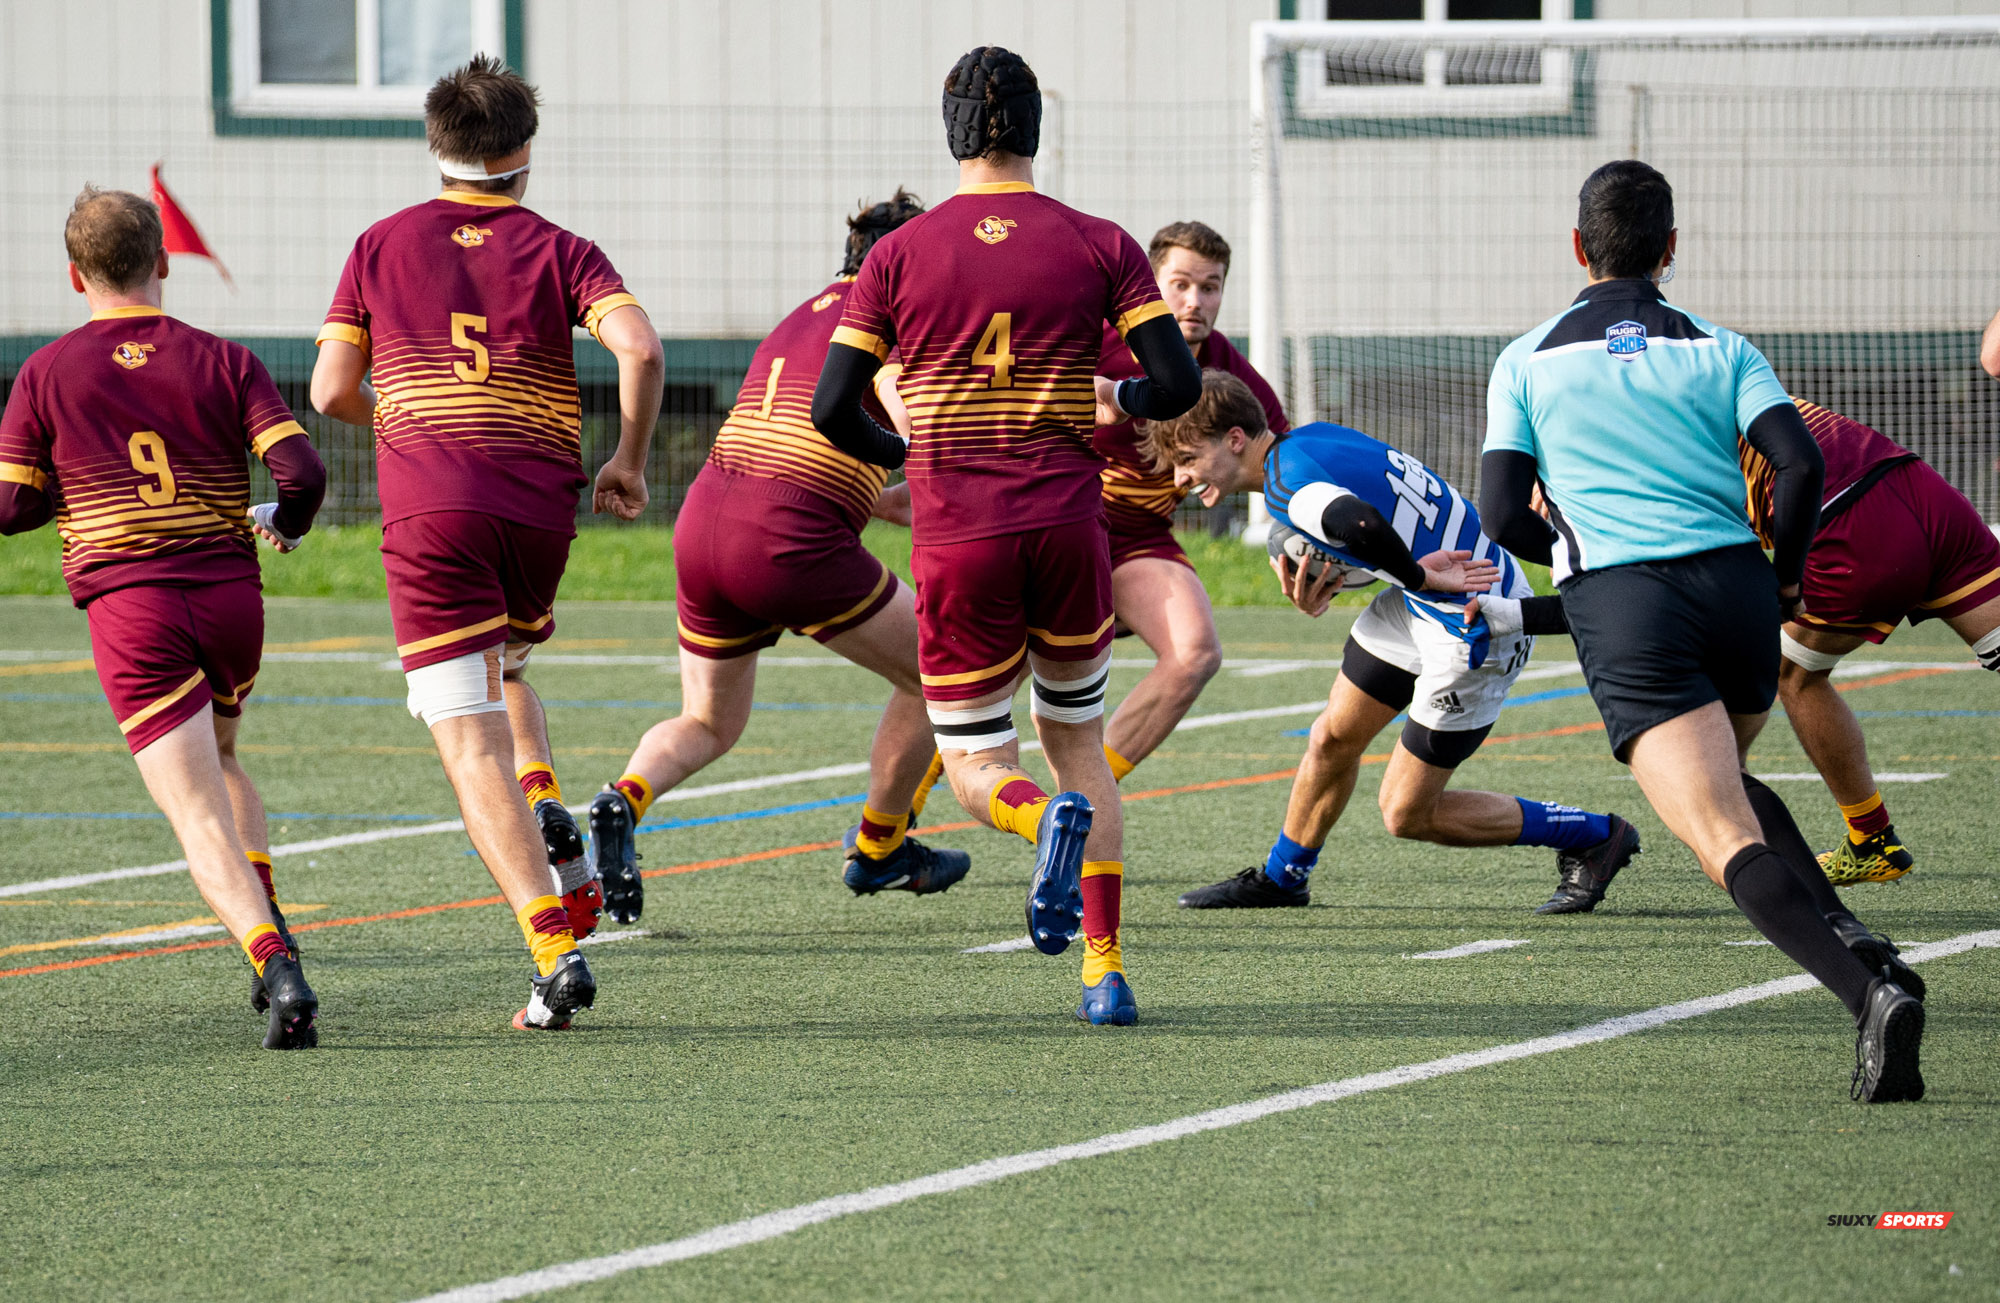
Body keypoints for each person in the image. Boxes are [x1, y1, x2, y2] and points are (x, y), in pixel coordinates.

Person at [1479, 160, 1926, 1102]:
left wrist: (1565, 538)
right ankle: (1846, 926)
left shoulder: (1527, 357)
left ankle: (1867, 996)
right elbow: (1798, 466)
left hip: (1630, 602)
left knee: (1715, 827)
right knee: (1728, 776)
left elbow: (1499, 514)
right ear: (1671, 250)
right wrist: (1786, 575)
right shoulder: (1722, 346)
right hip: (1736, 594)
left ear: (1576, 248)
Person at [811, 46, 1200, 1025]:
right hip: (1070, 531)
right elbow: (1179, 386)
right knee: (1075, 741)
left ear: (949, 133)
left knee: (980, 764)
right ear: (1036, 131)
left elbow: (829, 407)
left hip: (959, 536)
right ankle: (1103, 968)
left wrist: (909, 450)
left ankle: (1038, 824)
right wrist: (1116, 393)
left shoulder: (897, 255)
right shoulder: (1097, 242)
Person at [310, 56, 664, 1030]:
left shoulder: (380, 244)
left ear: (436, 145)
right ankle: (546, 802)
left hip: (433, 509)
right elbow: (637, 347)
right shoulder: (561, 247)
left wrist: (400, 410)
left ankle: (552, 948)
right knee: (505, 671)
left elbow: (330, 391)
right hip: (535, 507)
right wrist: (627, 459)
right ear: (523, 154)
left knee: (465, 737)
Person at [0, 186, 327, 1048]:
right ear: (164, 262)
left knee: (192, 812)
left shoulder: (45, 371)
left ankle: (275, 963)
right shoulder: (226, 358)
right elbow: (303, 472)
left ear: (74, 277)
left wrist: (70, 484)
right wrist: (285, 526)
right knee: (223, 758)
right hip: (228, 600)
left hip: (132, 607)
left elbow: (10, 505)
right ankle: (271, 919)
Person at [585, 190, 973, 917]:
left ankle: (621, 799)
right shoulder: (893, 321)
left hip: (706, 519)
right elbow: (916, 430)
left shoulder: (804, 311)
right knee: (941, 670)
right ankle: (882, 849)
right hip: (789, 532)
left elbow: (818, 441)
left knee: (708, 721)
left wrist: (881, 499)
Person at [1152, 372, 1639, 912]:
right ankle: (1282, 877)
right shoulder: (1311, 438)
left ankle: (1595, 835)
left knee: (1406, 813)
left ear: (1236, 438)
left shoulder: (1286, 486)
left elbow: (1356, 522)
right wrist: (1344, 573)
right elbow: (1376, 517)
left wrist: (1414, 576)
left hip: (1474, 621)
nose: (1180, 477)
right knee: (1332, 738)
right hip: (1426, 602)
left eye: (1189, 458)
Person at [1754, 399, 2000, 884]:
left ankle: (1872, 841)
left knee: (1794, 676)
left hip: (1849, 521)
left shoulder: (1645, 422)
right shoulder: (1724, 357)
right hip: (1917, 487)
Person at [1093, 221, 1288, 782]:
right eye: (1179, 284)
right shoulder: (1097, 343)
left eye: (1211, 287)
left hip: (1137, 540)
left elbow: (1284, 463)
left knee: (1195, 653)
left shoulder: (1231, 377)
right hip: (1063, 527)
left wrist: (1298, 538)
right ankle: (887, 830)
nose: (1195, 301)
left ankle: (1081, 800)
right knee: (996, 673)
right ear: (1151, 286)